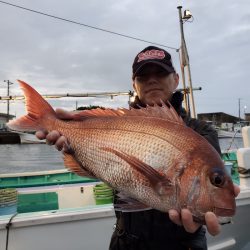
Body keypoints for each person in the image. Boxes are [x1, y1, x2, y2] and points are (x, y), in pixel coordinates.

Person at [36, 46, 240, 250]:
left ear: (176, 79)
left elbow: (208, 179)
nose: (152, 80)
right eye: (143, 76)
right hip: (125, 242)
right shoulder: (122, 122)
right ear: (134, 84)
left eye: (161, 73)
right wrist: (73, 148)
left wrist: (202, 215)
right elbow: (104, 169)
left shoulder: (201, 133)